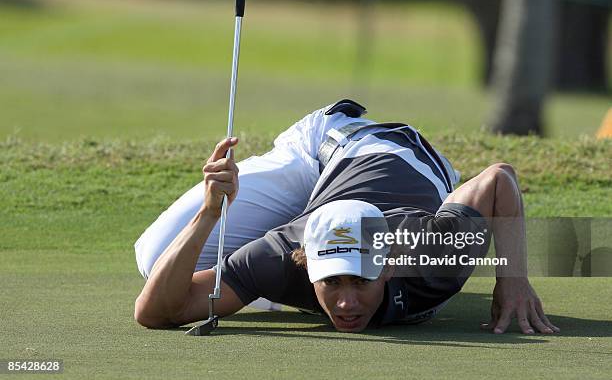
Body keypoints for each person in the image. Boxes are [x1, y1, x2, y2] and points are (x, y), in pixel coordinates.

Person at [133, 99, 560, 334]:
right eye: (333, 280)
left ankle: (249, 284)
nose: (347, 303)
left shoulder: (432, 252)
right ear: (306, 264)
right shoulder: (282, 258)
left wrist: (513, 279)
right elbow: (154, 311)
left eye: (360, 279)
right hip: (322, 151)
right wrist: (210, 213)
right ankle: (250, 278)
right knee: (156, 259)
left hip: (412, 160)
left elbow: (499, 178)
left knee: (182, 274)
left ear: (391, 265)